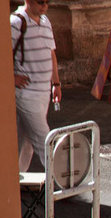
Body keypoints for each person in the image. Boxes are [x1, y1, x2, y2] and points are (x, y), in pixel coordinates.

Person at [11, 0, 61, 172]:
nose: (45, 6)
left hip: (43, 92)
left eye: (48, 2)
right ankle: (65, 179)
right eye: (41, 2)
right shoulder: (16, 23)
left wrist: (56, 83)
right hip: (26, 94)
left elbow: (51, 53)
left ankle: (16, 180)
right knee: (44, 138)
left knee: (26, 141)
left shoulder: (46, 21)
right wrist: (12, 78)